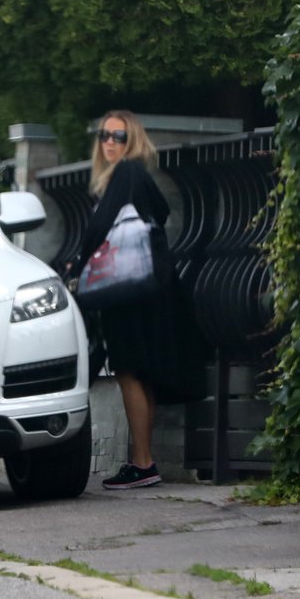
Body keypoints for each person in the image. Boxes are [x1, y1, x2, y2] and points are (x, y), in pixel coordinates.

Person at [72, 111, 176, 490]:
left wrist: (77, 264)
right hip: (145, 287)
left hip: (125, 290)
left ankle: (143, 462)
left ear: (133, 141)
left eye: (119, 136)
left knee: (128, 370)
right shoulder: (136, 178)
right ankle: (144, 461)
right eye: (105, 135)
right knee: (139, 372)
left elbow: (101, 229)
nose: (110, 142)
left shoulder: (126, 174)